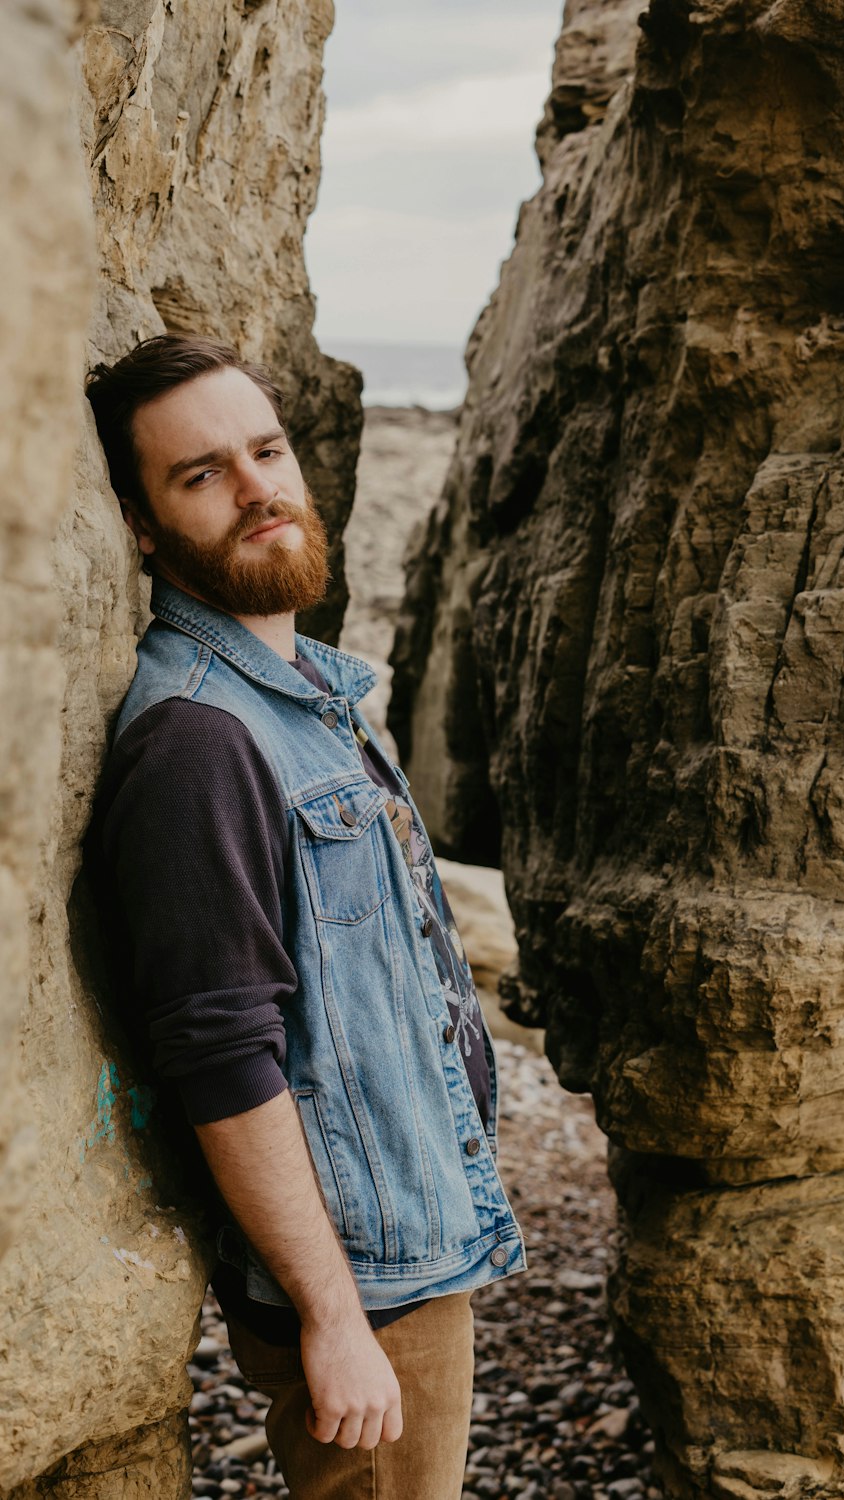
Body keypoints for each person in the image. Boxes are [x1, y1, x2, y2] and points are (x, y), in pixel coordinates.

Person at [84, 334, 525, 1500]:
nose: (256, 489)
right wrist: (332, 1316)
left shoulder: (307, 696)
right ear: (140, 526)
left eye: (266, 450)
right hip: (365, 1283)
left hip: (408, 1242)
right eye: (200, 476)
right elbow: (222, 1054)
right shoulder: (198, 742)